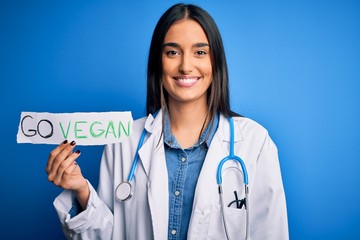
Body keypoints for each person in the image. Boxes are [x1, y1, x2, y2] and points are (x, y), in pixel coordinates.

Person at [46, 3, 288, 240]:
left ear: (215, 63)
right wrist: (81, 190)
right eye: (172, 52)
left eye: (200, 52)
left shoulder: (255, 143)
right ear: (157, 62)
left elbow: (271, 233)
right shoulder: (124, 141)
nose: (185, 66)